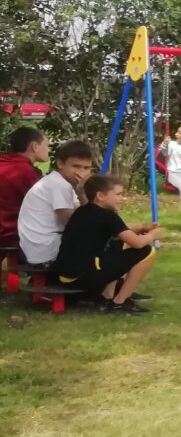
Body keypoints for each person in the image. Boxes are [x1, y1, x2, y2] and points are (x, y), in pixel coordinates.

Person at [50, 174, 162, 315]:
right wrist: (153, 235)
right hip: (82, 278)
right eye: (118, 194)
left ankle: (107, 296)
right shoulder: (108, 216)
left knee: (118, 241)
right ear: (100, 196)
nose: (123, 198)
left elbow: (121, 229)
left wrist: (141, 228)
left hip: (66, 277)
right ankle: (119, 302)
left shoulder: (82, 211)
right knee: (147, 252)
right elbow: (138, 243)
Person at [16, 139, 94, 267]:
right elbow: (73, 222)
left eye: (86, 168)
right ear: (60, 163)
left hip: (42, 246)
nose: (81, 172)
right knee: (106, 241)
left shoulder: (63, 183)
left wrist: (81, 194)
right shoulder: (58, 185)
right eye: (76, 166)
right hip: (44, 250)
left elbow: (88, 215)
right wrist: (83, 193)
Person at [0, 126, 47, 249]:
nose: (48, 150)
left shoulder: (4, 162)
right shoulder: (25, 172)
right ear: (35, 146)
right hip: (11, 234)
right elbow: (44, 205)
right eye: (47, 146)